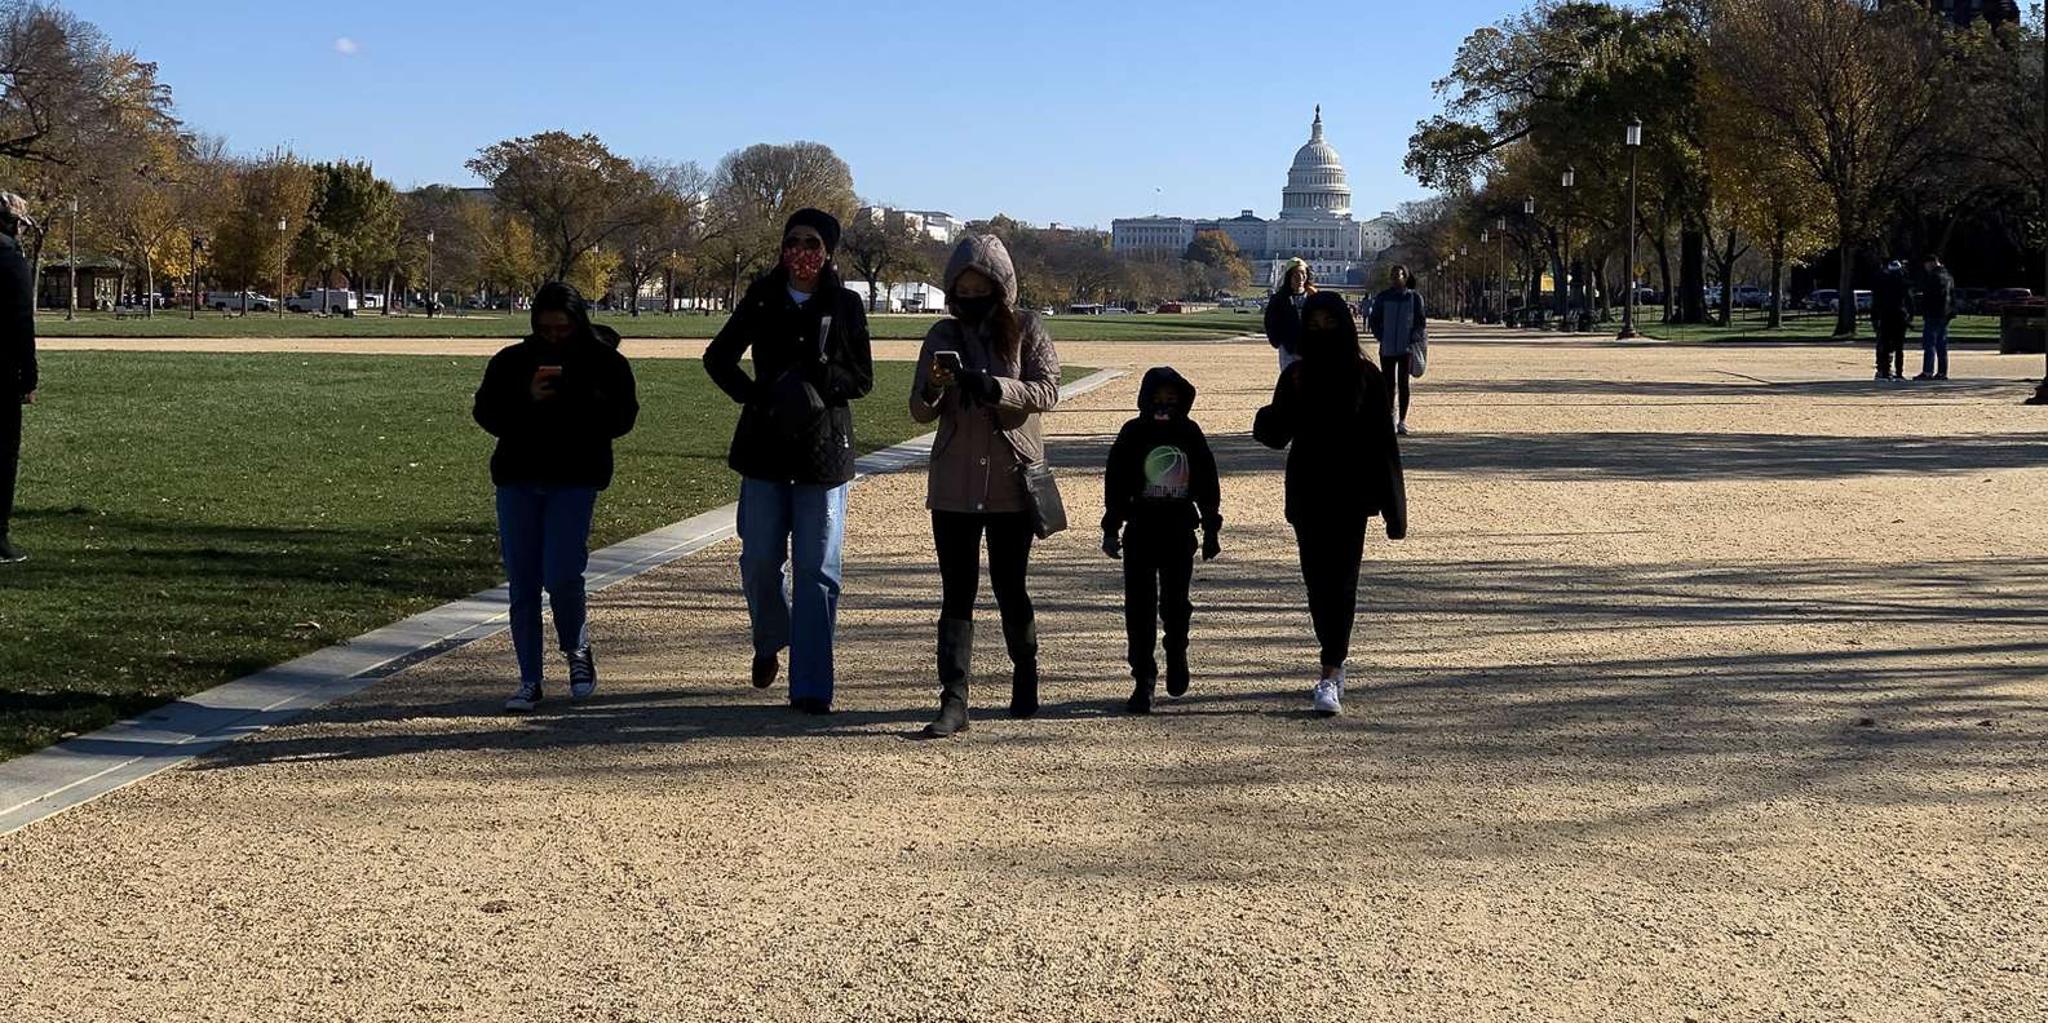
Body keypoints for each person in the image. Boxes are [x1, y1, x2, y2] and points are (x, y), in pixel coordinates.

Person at [703, 209, 874, 714]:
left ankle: (812, 685)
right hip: (765, 447)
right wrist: (756, 396)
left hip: (822, 450)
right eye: (793, 240)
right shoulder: (761, 296)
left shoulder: (844, 305)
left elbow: (861, 379)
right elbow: (718, 357)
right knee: (758, 560)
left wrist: (824, 377)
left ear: (828, 252)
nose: (801, 251)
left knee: (817, 569)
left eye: (812, 243)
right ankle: (769, 638)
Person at [910, 234, 1061, 737]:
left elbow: (1048, 390)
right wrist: (936, 385)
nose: (971, 298)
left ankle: (1026, 669)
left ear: (1000, 289)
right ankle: (954, 699)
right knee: (957, 591)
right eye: (963, 290)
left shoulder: (1027, 328)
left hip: (1010, 479)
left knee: (1009, 585)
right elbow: (917, 408)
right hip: (955, 479)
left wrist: (996, 387)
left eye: (981, 289)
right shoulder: (941, 333)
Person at [473, 282, 640, 712]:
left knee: (563, 574)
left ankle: (576, 648)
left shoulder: (606, 363)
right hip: (519, 476)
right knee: (523, 582)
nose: (553, 337)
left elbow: (624, 418)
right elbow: (486, 412)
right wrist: (525, 398)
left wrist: (582, 398)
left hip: (575, 477)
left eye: (562, 329)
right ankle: (529, 677)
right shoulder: (512, 361)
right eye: (545, 329)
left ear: (577, 323)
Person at [1253, 291, 1407, 717]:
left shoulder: (1367, 377)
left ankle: (1331, 668)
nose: (1321, 330)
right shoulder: (1298, 375)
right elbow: (1276, 433)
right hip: (1308, 489)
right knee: (1317, 583)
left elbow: (1383, 444)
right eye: (1314, 323)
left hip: (1351, 492)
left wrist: (1395, 509)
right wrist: (1264, 418)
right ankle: (1332, 657)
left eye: (1329, 322)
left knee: (1342, 583)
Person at [1101, 367, 1221, 714]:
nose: (1164, 406)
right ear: (1145, 401)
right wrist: (1111, 528)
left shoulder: (1190, 434)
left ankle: (1176, 648)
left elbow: (1207, 483)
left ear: (1183, 402)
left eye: (1172, 399)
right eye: (1157, 399)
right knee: (1138, 609)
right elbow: (1117, 485)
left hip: (1179, 531)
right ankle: (1143, 677)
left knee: (1175, 603)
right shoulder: (1133, 433)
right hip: (1139, 531)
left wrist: (1211, 528)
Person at [0, 192, 34, 565]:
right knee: (3, 455)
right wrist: (29, 376)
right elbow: (22, 321)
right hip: (2, 371)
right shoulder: (10, 259)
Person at [1367, 264, 1425, 435]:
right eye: (1392, 276)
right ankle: (1390, 418)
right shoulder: (1383, 297)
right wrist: (1380, 336)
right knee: (1388, 385)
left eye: (1397, 275)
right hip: (1387, 347)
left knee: (1404, 384)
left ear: (1405, 277)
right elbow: (1374, 319)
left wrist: (1413, 338)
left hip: (1405, 348)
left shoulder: (1414, 298)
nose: (1394, 278)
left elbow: (1420, 323)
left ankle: (1402, 421)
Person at [1264, 258, 1314, 372]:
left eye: (1303, 273)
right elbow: (1270, 321)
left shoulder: (1313, 297)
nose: (1300, 277)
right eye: (1296, 274)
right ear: (1288, 277)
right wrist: (1277, 340)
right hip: (1288, 348)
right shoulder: (1279, 299)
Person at [1915, 254, 1955, 382]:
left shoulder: (1934, 277)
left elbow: (1931, 297)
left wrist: (1923, 308)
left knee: (1929, 343)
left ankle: (1928, 371)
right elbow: (1952, 296)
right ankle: (1942, 372)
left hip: (1933, 313)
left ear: (1931, 263)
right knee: (1941, 344)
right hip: (1945, 314)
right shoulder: (1948, 276)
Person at [1872, 260, 1913, 382]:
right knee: (1899, 347)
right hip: (1900, 316)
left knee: (1885, 344)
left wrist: (1874, 317)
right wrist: (1910, 317)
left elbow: (1876, 301)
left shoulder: (1882, 282)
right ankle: (1899, 373)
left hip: (1886, 316)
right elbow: (1910, 301)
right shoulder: (1904, 283)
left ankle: (1884, 372)